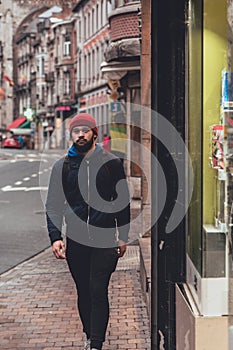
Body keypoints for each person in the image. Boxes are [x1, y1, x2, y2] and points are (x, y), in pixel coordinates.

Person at [46, 113, 130, 350]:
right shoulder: (62, 167)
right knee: (84, 291)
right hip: (76, 241)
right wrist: (55, 237)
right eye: (76, 131)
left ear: (94, 133)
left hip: (104, 239)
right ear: (71, 135)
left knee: (97, 290)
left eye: (85, 130)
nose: (80, 134)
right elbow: (53, 204)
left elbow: (121, 201)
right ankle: (89, 334)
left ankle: (96, 343)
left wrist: (122, 235)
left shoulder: (111, 163)